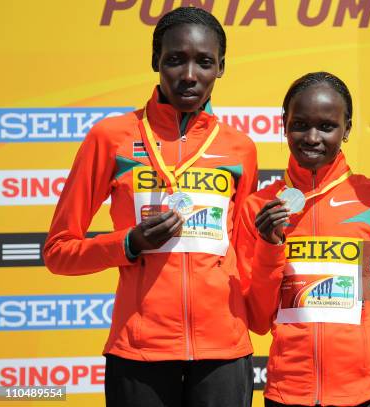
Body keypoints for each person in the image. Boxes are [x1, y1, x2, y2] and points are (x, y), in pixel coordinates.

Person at [43, 7, 257, 407]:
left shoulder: (239, 148)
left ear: (221, 68)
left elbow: (244, 255)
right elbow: (58, 252)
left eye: (204, 62)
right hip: (139, 350)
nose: (189, 74)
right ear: (155, 61)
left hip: (224, 352)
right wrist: (127, 244)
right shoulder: (111, 138)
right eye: (175, 59)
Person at [235, 72, 370, 407]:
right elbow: (259, 321)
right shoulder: (258, 208)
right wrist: (270, 245)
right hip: (289, 392)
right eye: (300, 124)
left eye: (326, 126)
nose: (311, 137)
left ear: (347, 129)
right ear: (284, 124)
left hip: (367, 391)